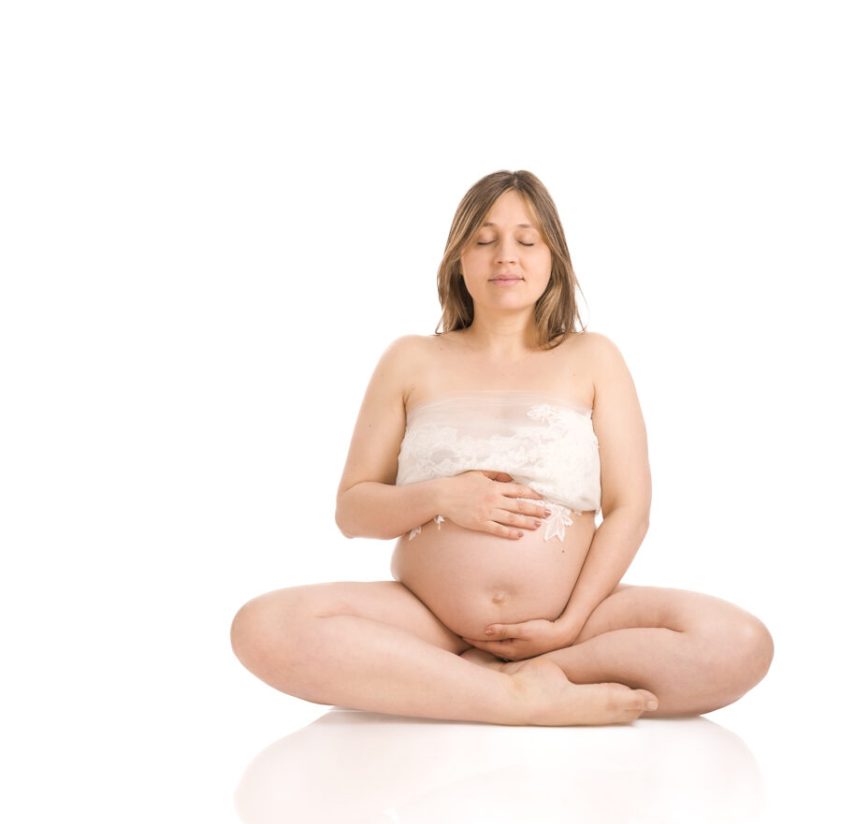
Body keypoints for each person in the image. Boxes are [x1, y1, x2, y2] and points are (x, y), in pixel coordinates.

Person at [230, 170, 773, 727]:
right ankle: (515, 698)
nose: (504, 256)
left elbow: (630, 508)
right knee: (263, 626)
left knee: (738, 643)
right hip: (430, 624)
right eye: (484, 241)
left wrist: (568, 623)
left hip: (574, 627)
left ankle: (503, 679)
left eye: (527, 240)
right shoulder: (409, 359)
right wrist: (445, 496)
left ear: (553, 258)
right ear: (458, 260)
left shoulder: (594, 358)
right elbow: (352, 511)